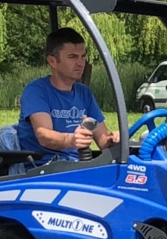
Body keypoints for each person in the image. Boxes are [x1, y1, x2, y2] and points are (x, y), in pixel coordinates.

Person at [15, 27, 120, 162]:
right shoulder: (36, 90)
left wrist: (114, 139)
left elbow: (103, 140)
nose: (80, 63)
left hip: (75, 167)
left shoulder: (84, 93)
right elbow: (43, 135)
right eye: (72, 57)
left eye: (83, 56)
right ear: (52, 61)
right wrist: (70, 140)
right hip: (44, 169)